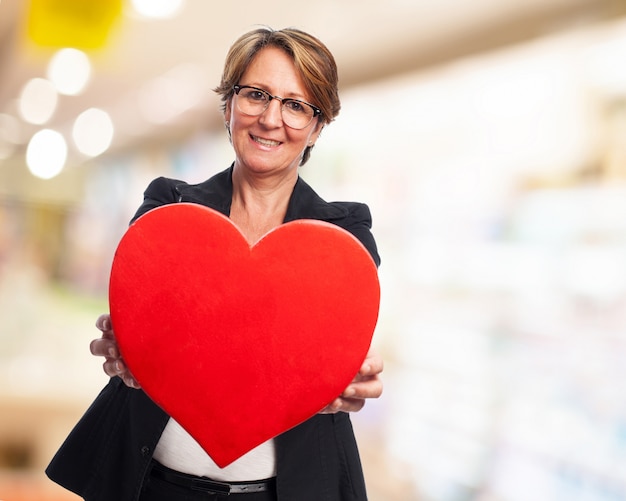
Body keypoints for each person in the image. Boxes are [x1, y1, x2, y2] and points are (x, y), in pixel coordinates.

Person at [46, 26, 383, 501]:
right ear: (227, 106)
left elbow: (335, 348)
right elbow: (144, 327)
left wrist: (345, 375)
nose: (270, 118)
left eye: (295, 104)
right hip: (151, 486)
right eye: (256, 95)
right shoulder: (169, 210)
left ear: (317, 127)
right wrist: (127, 345)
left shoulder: (342, 235)